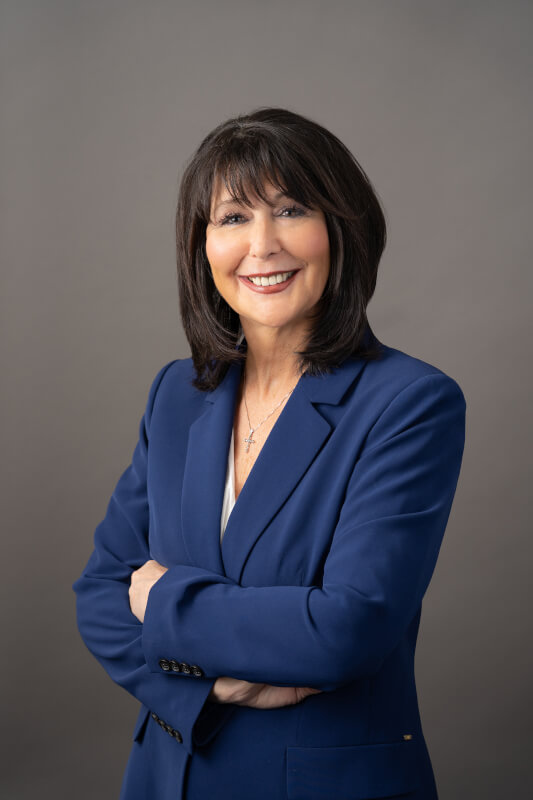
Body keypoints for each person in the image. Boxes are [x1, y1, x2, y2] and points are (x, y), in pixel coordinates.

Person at [73, 107, 466, 800]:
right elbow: (101, 595)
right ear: (202, 246)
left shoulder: (409, 403)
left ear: (341, 230)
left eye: (289, 210)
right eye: (231, 218)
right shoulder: (177, 393)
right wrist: (206, 682)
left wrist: (164, 596)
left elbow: (347, 628)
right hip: (169, 775)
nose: (262, 245)